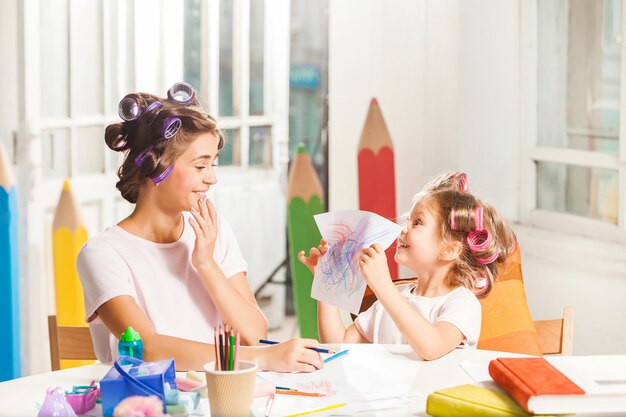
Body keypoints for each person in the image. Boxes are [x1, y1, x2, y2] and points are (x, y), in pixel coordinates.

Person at [77, 82, 323, 372]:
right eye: (200, 166)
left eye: (213, 165)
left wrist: (206, 264)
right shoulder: (103, 253)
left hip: (224, 396)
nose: (211, 179)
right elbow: (148, 348)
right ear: (156, 168)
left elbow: (256, 336)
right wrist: (263, 359)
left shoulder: (212, 233)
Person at [298, 172, 517, 360]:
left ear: (449, 249)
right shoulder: (393, 299)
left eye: (417, 222)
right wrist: (327, 283)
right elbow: (337, 346)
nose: (402, 228)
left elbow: (431, 347)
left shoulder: (461, 302)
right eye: (408, 220)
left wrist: (383, 288)